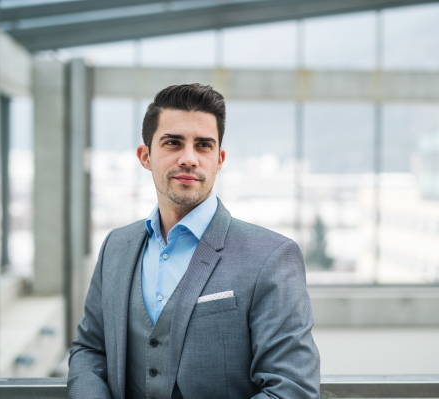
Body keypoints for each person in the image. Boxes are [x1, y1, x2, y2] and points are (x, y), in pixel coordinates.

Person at [68, 83, 320, 399]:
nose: (189, 158)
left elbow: (292, 389)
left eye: (203, 145)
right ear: (145, 156)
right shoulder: (116, 247)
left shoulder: (272, 256)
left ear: (219, 159)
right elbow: (90, 350)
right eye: (173, 143)